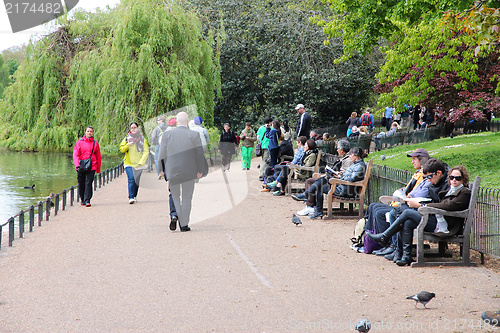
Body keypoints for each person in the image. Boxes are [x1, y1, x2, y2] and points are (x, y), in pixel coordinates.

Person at [367, 159, 463, 266]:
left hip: (443, 223)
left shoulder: (463, 191)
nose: (453, 180)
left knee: (407, 213)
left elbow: (447, 205)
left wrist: (422, 205)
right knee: (406, 220)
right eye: (452, 177)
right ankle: (405, 255)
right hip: (433, 216)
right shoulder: (440, 186)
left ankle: (385, 237)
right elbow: (435, 201)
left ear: (439, 173)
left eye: (457, 178)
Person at [362, 148, 430, 257]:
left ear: (422, 160)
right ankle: (369, 240)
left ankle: (389, 245)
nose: (412, 162)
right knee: (373, 206)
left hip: (408, 206)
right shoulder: (418, 174)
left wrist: (402, 197)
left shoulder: (424, 176)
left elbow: (414, 195)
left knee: (380, 211)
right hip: (403, 204)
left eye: (414, 159)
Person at [159, 111, 208, 232]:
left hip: (172, 170)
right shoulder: (194, 135)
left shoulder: (167, 135)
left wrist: (161, 169)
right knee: (186, 197)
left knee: (174, 195)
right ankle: (184, 224)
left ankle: (174, 214)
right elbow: (199, 154)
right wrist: (200, 170)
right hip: (189, 171)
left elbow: (162, 153)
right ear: (187, 121)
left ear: (176, 120)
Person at [292, 147, 367, 219]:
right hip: (343, 187)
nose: (349, 156)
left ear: (356, 155)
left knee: (321, 184)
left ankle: (308, 197)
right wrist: (340, 174)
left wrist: (340, 178)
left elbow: (352, 178)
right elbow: (350, 176)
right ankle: (314, 205)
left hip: (346, 191)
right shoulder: (355, 164)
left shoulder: (359, 166)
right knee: (322, 181)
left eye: (351, 154)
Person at [296, 139, 353, 216]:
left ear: (342, 150)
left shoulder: (348, 160)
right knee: (310, 181)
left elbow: (346, 176)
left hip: (339, 185)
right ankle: (310, 205)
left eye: (337, 148)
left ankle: (309, 203)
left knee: (318, 183)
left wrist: (338, 175)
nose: (336, 150)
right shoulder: (344, 158)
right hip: (336, 182)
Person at [120, 122, 149, 204]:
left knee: (136, 181)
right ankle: (131, 197)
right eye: (132, 127)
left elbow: (146, 151)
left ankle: (135, 195)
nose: (133, 129)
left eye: (135, 127)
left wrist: (142, 162)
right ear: (130, 129)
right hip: (128, 163)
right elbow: (122, 149)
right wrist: (128, 145)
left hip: (138, 163)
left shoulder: (142, 139)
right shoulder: (126, 139)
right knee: (131, 179)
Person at [72, 126, 102, 207]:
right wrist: (77, 165)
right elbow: (75, 154)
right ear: (85, 132)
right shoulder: (79, 142)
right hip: (81, 165)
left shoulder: (95, 143)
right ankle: (82, 199)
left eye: (91, 131)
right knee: (81, 183)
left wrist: (98, 168)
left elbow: (98, 156)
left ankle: (87, 200)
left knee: (89, 183)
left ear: (92, 133)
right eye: (88, 131)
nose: (89, 133)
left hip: (92, 165)